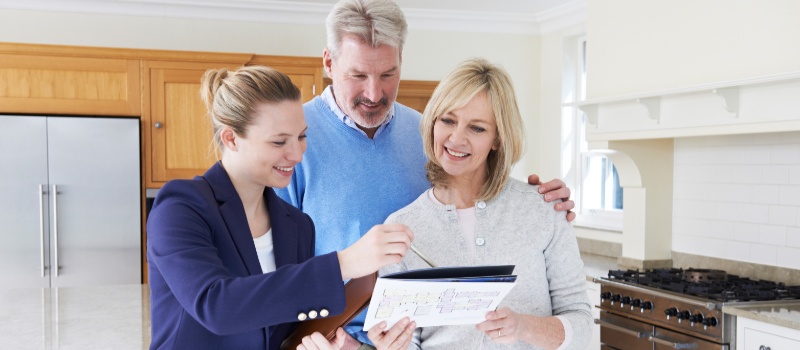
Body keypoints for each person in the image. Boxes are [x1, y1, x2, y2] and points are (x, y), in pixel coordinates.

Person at [275, 0, 576, 347]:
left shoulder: (429, 136)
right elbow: (269, 275)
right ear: (329, 62)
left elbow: (475, 200)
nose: (374, 93)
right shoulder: (293, 140)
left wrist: (544, 201)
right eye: (358, 75)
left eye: (387, 74)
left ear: (401, 60)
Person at [146, 66, 414, 350]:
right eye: (279, 141)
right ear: (231, 138)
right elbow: (217, 306)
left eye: (301, 136)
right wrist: (344, 263)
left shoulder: (296, 224)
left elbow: (283, 331)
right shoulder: (181, 206)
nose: (297, 154)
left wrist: (345, 346)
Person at [368, 58, 592, 350]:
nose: (456, 138)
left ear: (497, 138)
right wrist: (392, 345)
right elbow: (409, 342)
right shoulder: (402, 229)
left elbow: (583, 328)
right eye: (447, 120)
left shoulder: (543, 210)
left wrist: (524, 326)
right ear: (433, 122)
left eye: (476, 128)